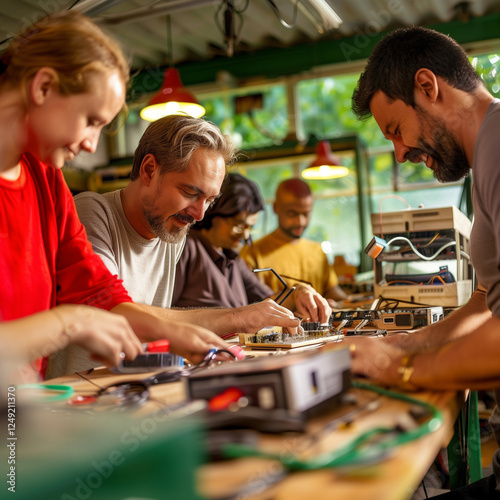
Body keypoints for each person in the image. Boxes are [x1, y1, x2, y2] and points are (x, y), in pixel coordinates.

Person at [0, 11, 237, 380]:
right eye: (91, 120)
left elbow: (96, 290)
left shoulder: (46, 178)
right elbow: (82, 310)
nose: (92, 143)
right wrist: (69, 322)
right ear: (43, 87)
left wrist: (177, 334)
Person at [349, 26, 500, 499]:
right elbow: (486, 297)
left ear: (428, 87)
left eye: (396, 130)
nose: (400, 153)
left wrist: (403, 373)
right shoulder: (485, 158)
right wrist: (411, 343)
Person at [73, 115, 303, 357]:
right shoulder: (93, 212)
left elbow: (159, 327)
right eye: (190, 192)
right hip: (80, 388)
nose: (200, 214)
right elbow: (109, 311)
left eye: (210, 201)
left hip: (136, 385)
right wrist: (237, 317)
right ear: (149, 170)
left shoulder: (170, 230)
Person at [172, 173, 332, 322]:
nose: (245, 236)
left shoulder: (232, 259)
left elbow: (270, 302)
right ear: (213, 211)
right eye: (239, 225)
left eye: (250, 227)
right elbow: (163, 314)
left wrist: (298, 292)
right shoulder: (186, 249)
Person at [240, 177, 347, 308]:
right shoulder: (252, 252)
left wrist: (346, 303)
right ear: (276, 208)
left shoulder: (317, 250)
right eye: (292, 213)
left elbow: (331, 291)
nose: (300, 222)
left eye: (306, 214)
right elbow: (253, 303)